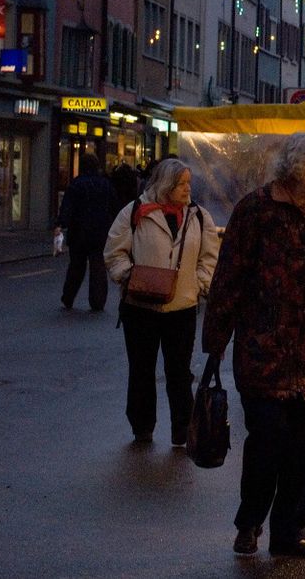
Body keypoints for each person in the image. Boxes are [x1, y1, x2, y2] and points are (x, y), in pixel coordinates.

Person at [202, 133, 305, 558]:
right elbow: (229, 277)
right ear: (295, 172)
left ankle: (291, 531)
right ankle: (251, 520)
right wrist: (216, 340)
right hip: (264, 352)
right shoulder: (256, 210)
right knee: (267, 443)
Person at [104, 159, 220, 445]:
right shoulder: (135, 212)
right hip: (139, 307)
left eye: (188, 183)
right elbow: (114, 252)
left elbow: (210, 257)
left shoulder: (199, 217)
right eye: (181, 183)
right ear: (166, 184)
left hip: (181, 307)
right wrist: (128, 276)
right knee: (141, 370)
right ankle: (142, 427)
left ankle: (183, 429)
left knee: (179, 373)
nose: (187, 189)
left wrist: (200, 284)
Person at [55, 153, 119, 312]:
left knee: (76, 266)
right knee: (98, 267)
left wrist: (60, 225)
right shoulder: (105, 184)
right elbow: (115, 207)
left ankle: (68, 297)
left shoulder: (76, 184)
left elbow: (67, 207)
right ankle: (97, 302)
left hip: (79, 232)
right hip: (100, 232)